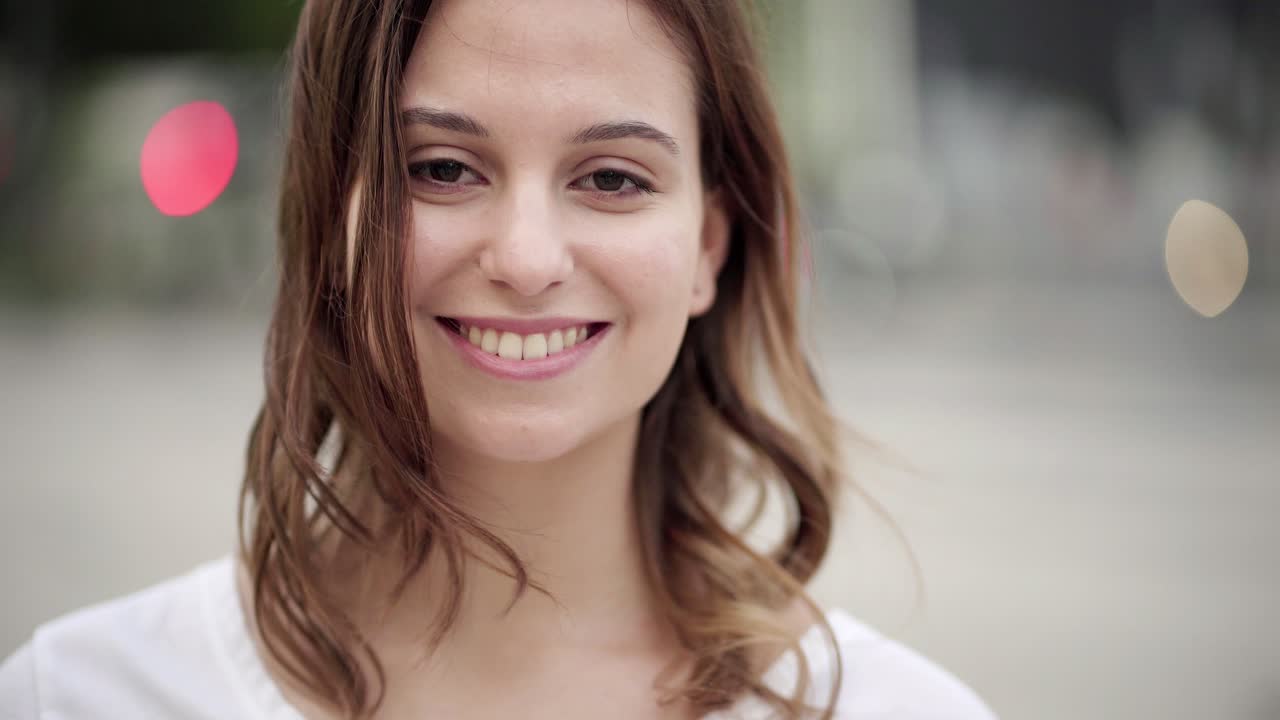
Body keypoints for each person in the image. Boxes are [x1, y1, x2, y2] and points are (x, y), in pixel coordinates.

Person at [0, 0, 998, 718]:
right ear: (335, 212)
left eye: (611, 178)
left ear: (707, 244)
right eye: (441, 169)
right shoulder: (79, 696)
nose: (524, 259)